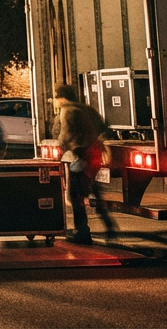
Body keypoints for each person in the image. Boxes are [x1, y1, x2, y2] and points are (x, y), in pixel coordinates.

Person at [54, 83, 118, 244]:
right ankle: (109, 226)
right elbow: (103, 126)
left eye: (55, 98)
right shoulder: (87, 109)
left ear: (61, 98)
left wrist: (61, 149)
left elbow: (65, 135)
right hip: (94, 154)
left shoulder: (67, 111)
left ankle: (82, 232)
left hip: (81, 156)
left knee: (75, 196)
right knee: (94, 191)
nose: (55, 101)